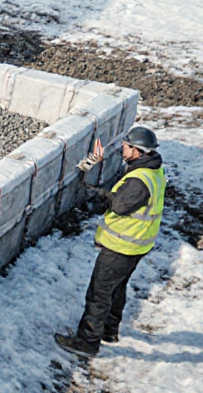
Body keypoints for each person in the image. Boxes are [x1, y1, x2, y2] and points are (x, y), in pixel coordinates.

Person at [55, 126, 166, 358]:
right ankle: (109, 330)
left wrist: (96, 193)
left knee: (99, 293)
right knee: (117, 287)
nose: (122, 149)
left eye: (126, 146)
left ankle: (87, 342)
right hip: (137, 245)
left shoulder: (139, 180)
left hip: (121, 247)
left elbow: (120, 205)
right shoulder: (152, 171)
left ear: (137, 150)